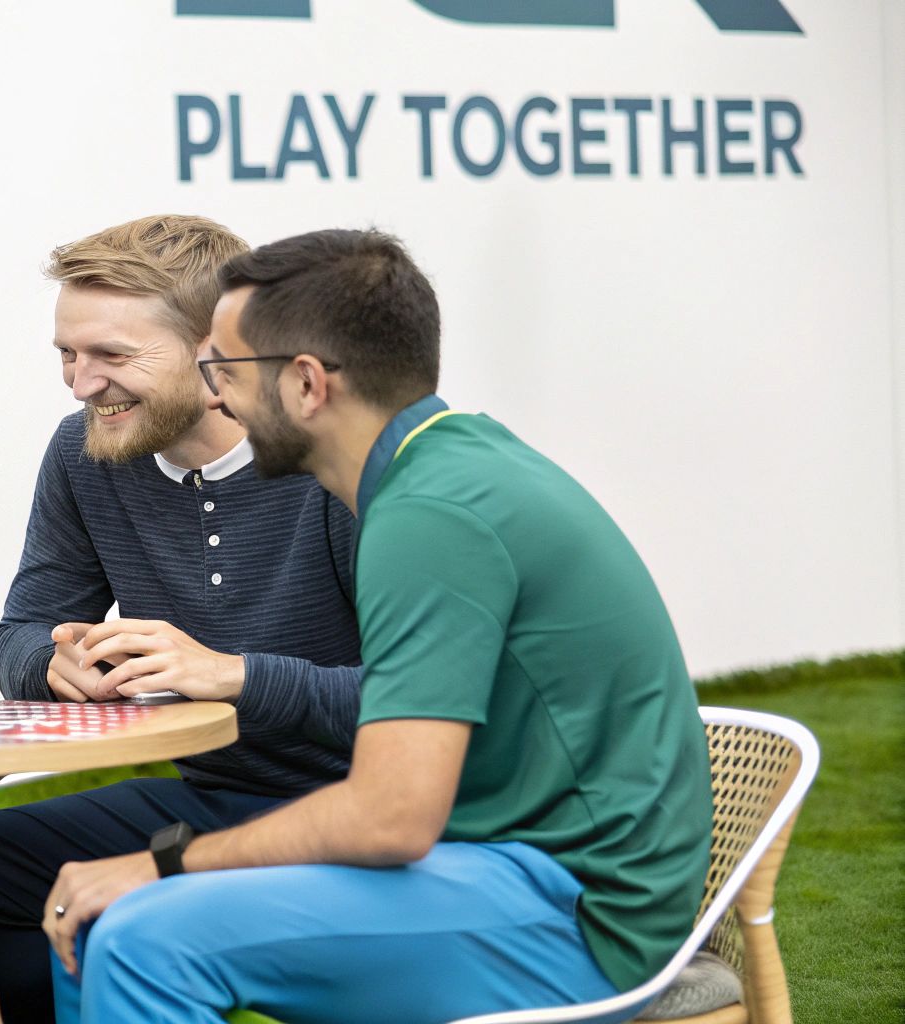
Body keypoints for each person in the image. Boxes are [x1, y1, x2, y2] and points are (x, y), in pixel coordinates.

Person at [42, 228, 712, 1023]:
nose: (215, 398)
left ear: (306, 385)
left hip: (576, 915)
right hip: (512, 864)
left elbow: (390, 818)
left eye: (226, 371)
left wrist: (168, 864)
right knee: (108, 918)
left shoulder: (427, 515)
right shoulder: (446, 469)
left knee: (141, 937)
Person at [0, 215, 363, 1022]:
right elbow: (24, 631)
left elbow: (424, 700)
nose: (81, 384)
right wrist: (55, 664)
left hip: (369, 808)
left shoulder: (334, 461)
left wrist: (235, 677)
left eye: (112, 357)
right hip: (215, 795)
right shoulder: (82, 453)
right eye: (67, 354)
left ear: (216, 350)